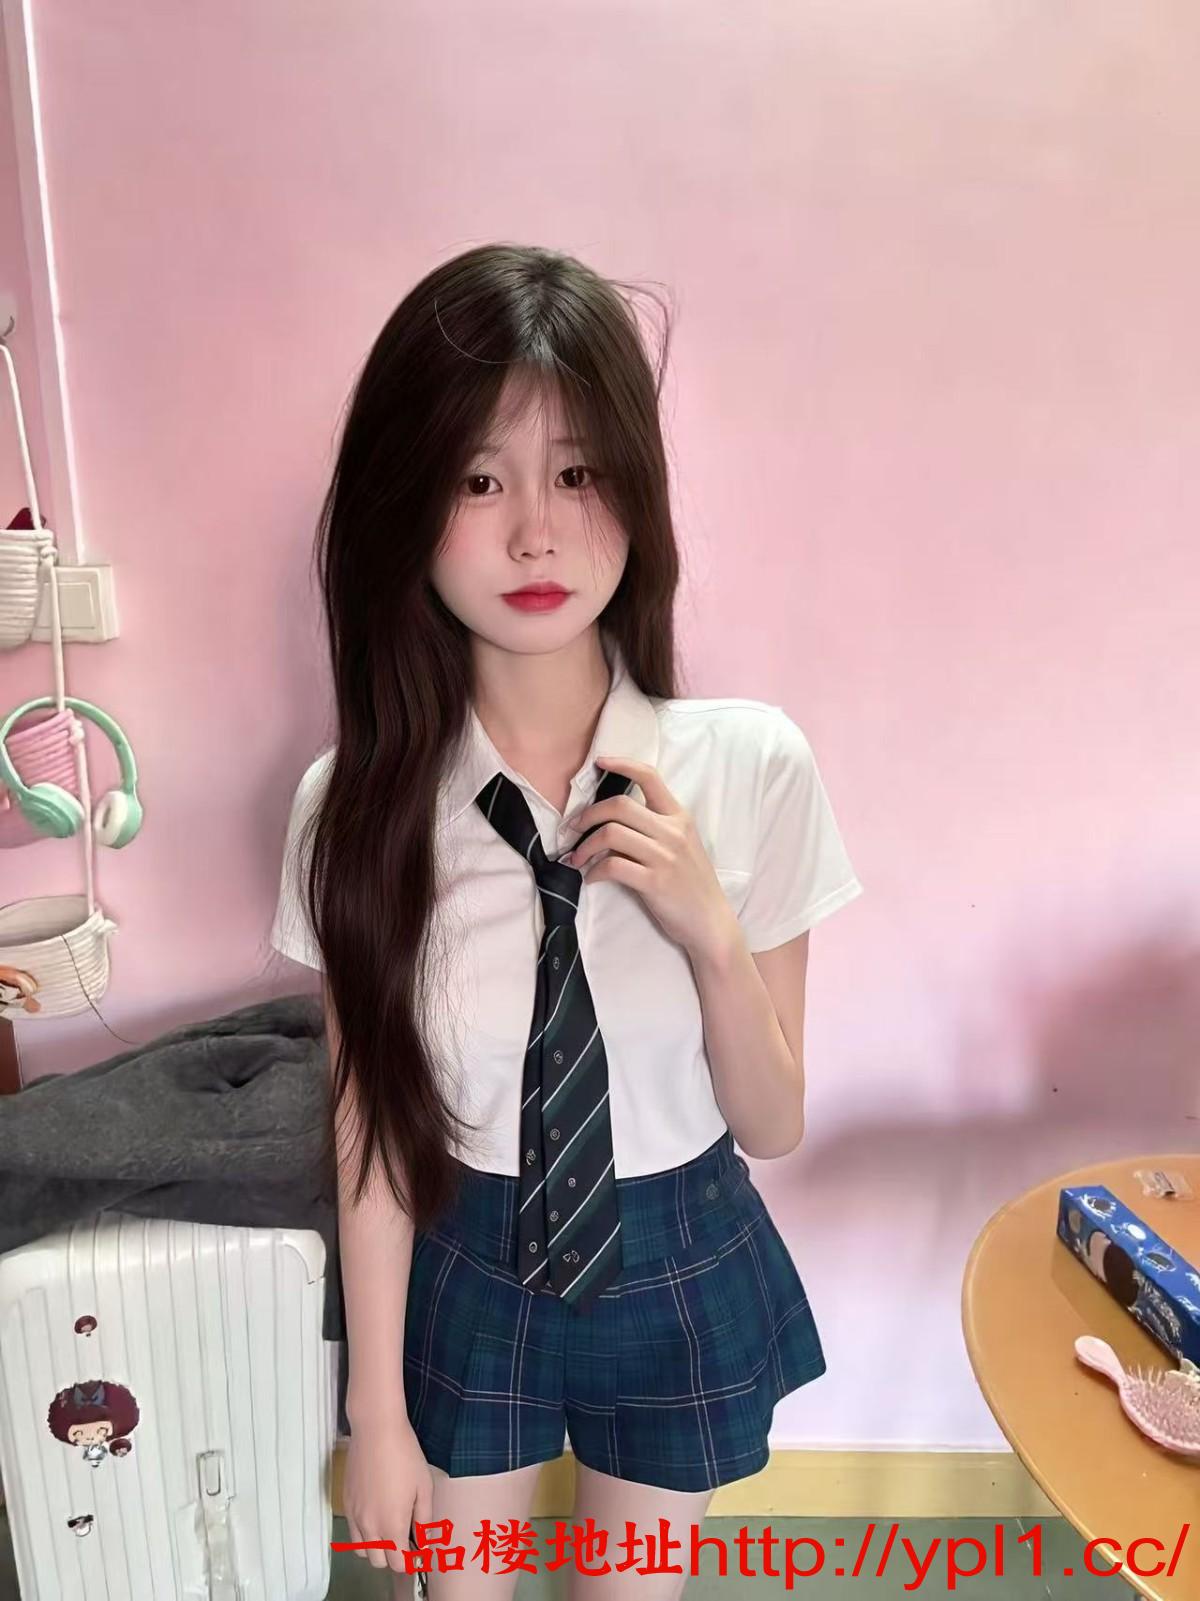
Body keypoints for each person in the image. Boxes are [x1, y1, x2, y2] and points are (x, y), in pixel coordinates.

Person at [270, 243, 863, 1599]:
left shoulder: (752, 767)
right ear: (407, 505)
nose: (535, 533)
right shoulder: (351, 809)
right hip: (465, 1259)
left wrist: (707, 926)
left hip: (680, 1251)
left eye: (579, 473)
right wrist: (376, 1414)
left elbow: (773, 1122)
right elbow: (370, 1132)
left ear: (636, 491)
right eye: (480, 481)